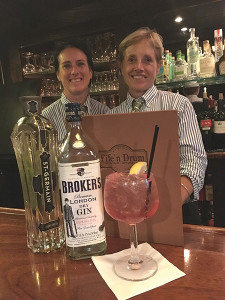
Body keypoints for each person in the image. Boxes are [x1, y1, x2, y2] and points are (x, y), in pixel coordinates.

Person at [110, 27, 207, 224]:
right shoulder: (111, 116)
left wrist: (165, 205)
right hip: (128, 216)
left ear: (159, 66)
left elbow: (194, 161)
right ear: (121, 67)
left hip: (176, 213)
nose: (139, 67)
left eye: (147, 59)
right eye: (131, 59)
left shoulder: (179, 105)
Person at [42, 41, 110, 143]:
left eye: (80, 64)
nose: (74, 71)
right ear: (58, 75)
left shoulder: (105, 113)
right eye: (67, 66)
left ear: (90, 72)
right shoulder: (46, 119)